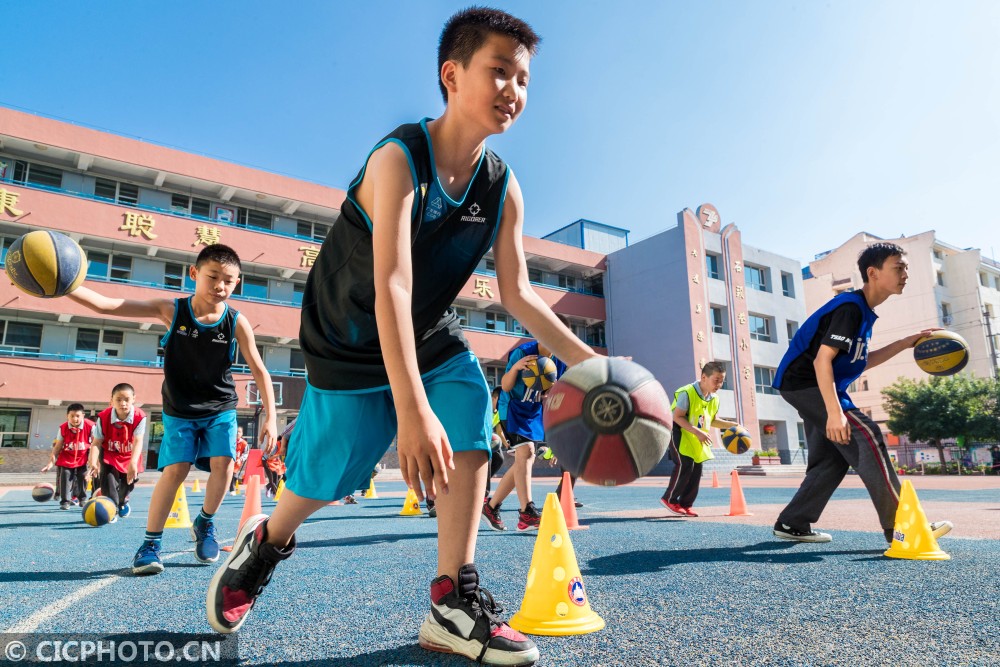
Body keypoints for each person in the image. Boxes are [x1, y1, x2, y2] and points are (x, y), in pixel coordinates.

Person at [205, 9, 598, 665]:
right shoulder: (398, 160)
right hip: (347, 330)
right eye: (499, 71)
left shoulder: (502, 186)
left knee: (471, 404)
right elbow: (390, 281)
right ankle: (267, 541)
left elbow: (517, 292)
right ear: (452, 74)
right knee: (336, 471)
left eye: (524, 79)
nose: (514, 90)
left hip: (428, 327)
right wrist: (411, 410)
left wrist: (599, 367)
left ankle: (452, 598)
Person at [67, 243, 276, 574]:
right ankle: (151, 543)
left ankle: (205, 524)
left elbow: (260, 371)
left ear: (238, 283)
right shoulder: (171, 310)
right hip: (180, 410)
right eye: (213, 277)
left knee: (224, 464)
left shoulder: (236, 322)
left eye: (229, 281)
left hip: (220, 405)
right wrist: (65, 285)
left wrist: (272, 419)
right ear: (194, 273)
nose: (220, 286)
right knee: (175, 471)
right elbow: (109, 305)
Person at [771, 243, 953, 543]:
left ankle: (792, 522)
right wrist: (834, 412)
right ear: (873, 272)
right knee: (867, 436)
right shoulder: (849, 308)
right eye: (899, 267)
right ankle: (902, 528)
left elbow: (861, 361)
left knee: (833, 459)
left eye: (905, 267)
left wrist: (907, 342)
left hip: (811, 385)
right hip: (807, 383)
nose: (905, 273)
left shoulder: (863, 312)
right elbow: (822, 360)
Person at [483, 334, 566, 531]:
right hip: (511, 409)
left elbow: (551, 393)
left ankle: (491, 506)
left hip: (533, 413)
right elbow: (505, 386)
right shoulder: (524, 353)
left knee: (523, 459)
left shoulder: (559, 361)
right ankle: (526, 512)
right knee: (526, 452)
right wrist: (515, 368)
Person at [659, 361, 738, 517]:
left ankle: (685, 504)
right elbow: (677, 417)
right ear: (704, 377)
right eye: (716, 380)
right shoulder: (687, 392)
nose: (720, 384)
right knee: (684, 463)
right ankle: (669, 499)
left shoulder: (714, 398)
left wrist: (732, 425)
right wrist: (697, 432)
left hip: (694, 435)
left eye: (722, 381)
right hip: (677, 430)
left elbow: (712, 420)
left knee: (697, 470)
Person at [87, 384, 146, 521]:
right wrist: (93, 461)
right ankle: (111, 509)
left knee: (129, 482)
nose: (123, 403)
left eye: (126, 399)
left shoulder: (140, 417)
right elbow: (96, 443)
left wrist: (133, 463)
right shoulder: (103, 417)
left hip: (130, 454)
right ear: (111, 400)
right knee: (108, 480)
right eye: (118, 399)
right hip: (110, 453)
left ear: (133, 399)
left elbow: (138, 441)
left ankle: (123, 500)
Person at [42, 403, 93, 510]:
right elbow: (57, 447)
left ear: (83, 415)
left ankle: (82, 498)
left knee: (83, 477)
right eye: (72, 416)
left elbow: (95, 444)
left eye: (78, 416)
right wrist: (50, 463)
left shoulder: (91, 426)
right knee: (65, 476)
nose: (75, 419)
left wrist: (94, 462)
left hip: (82, 457)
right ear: (67, 416)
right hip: (67, 458)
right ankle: (65, 501)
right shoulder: (63, 428)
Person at [229, 427, 249, 495]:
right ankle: (231, 488)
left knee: (234, 475)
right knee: (229, 474)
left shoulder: (244, 443)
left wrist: (240, 459)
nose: (237, 433)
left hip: (237, 462)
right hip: (229, 460)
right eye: (236, 431)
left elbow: (246, 453)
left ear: (242, 433)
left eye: (239, 432)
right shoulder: (230, 441)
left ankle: (232, 487)